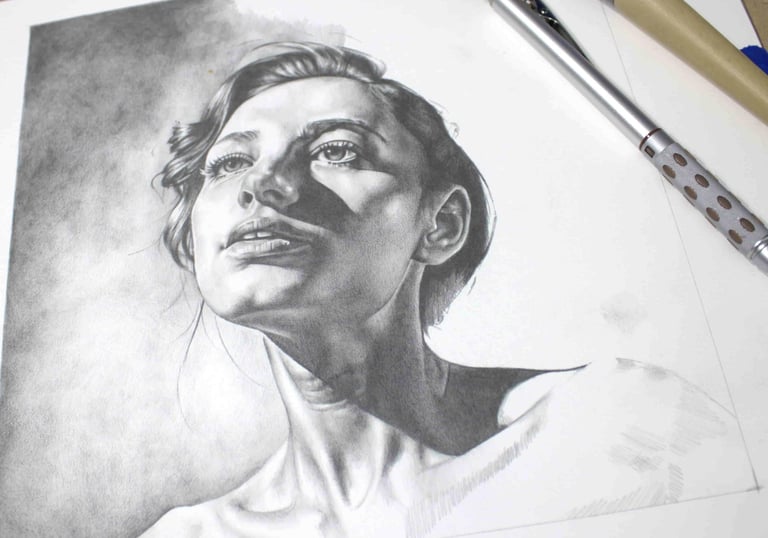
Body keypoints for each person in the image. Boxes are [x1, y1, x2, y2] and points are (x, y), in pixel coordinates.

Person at [141, 42, 751, 538]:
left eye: (336, 151)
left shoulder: (615, 427)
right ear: (192, 241)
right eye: (229, 163)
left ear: (440, 225)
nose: (264, 185)